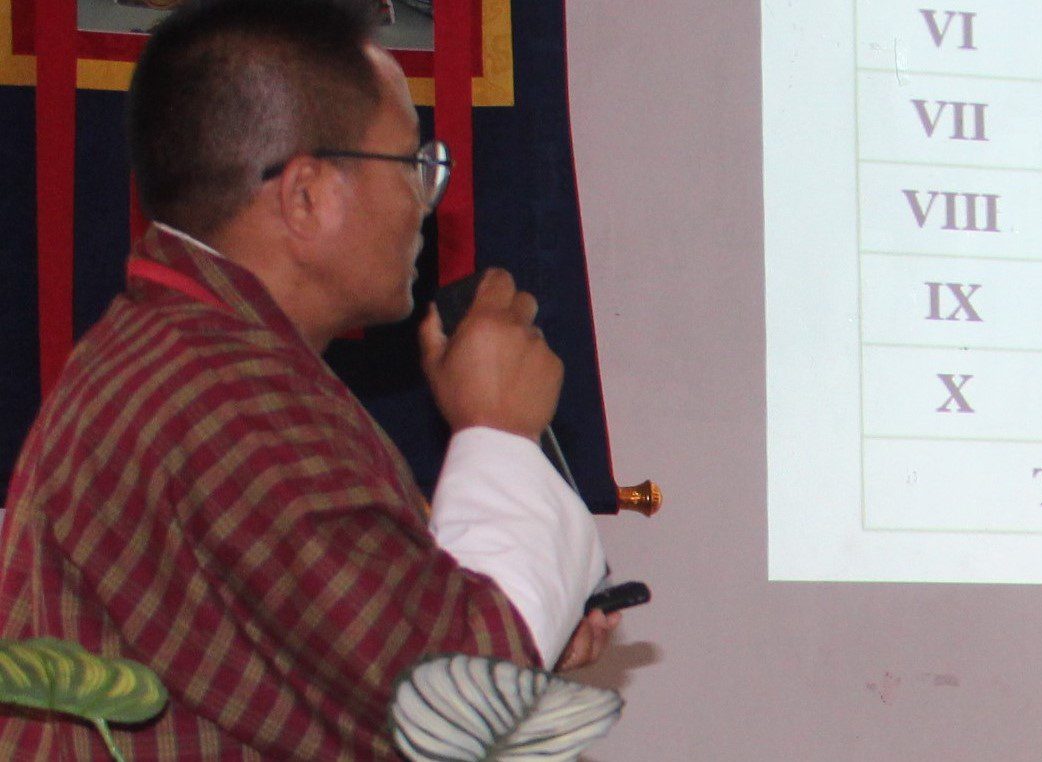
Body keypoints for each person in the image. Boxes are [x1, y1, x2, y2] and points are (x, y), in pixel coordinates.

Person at [0, 0, 617, 757]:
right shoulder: (228, 398)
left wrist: (527, 617)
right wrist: (498, 430)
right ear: (305, 195)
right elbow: (452, 703)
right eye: (412, 163)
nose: (425, 202)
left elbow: (327, 671)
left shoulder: (187, 353)